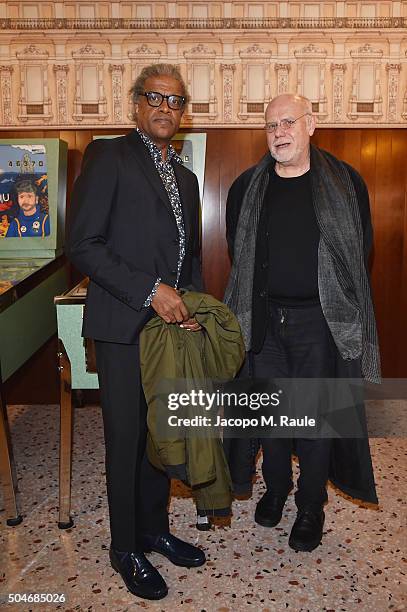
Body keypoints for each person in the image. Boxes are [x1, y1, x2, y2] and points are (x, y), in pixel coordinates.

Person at [66, 63, 205, 601]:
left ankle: (152, 529)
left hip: (170, 331)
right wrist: (151, 291)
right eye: (155, 98)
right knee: (125, 439)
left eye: (175, 101)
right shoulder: (109, 157)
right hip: (123, 325)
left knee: (159, 437)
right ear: (136, 105)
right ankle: (124, 545)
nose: (165, 108)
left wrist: (190, 306)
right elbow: (84, 245)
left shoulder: (187, 179)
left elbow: (187, 257)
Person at [225, 94, 380, 553]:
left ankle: (311, 505)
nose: (279, 133)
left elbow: (360, 251)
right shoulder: (247, 187)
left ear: (310, 124)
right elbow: (239, 252)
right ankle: (276, 489)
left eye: (288, 123)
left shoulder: (345, 183)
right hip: (266, 322)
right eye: (271, 126)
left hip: (321, 323)